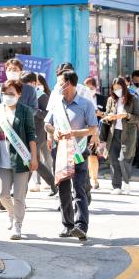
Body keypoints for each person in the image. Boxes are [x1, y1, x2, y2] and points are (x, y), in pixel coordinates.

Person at [45, 70, 97, 241]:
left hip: (78, 153)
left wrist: (73, 133)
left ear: (68, 83)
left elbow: (93, 128)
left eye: (60, 82)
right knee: (64, 189)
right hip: (61, 153)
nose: (57, 86)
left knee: (79, 188)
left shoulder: (85, 104)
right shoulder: (57, 103)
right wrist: (54, 131)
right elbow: (47, 124)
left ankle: (81, 226)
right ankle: (68, 225)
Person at [0, 79, 38, 240]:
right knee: (2, 194)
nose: (7, 96)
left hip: (21, 159)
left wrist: (34, 157)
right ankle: (11, 212)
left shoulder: (25, 111)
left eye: (11, 93)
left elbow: (31, 135)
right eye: (5, 93)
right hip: (2, 159)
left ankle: (18, 224)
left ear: (19, 94)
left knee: (19, 196)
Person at [104, 77, 139, 195]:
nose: (117, 91)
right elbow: (106, 115)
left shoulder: (133, 99)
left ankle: (126, 182)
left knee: (124, 159)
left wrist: (126, 116)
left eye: (119, 88)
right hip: (113, 133)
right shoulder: (111, 99)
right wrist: (109, 117)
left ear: (124, 87)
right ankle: (116, 186)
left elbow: (137, 117)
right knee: (114, 159)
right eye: (114, 89)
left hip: (128, 133)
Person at [23, 73, 55, 194]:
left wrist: (35, 112)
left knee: (32, 159)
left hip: (37, 132)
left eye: (26, 84)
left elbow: (48, 114)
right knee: (33, 160)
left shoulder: (41, 96)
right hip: (25, 132)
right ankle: (53, 183)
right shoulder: (23, 95)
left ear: (33, 83)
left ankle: (21, 189)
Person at [83, 77, 106, 190]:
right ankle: (85, 179)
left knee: (93, 155)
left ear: (95, 88)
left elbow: (107, 114)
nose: (88, 90)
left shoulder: (102, 99)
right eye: (86, 88)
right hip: (83, 130)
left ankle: (94, 179)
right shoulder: (81, 98)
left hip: (96, 130)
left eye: (91, 88)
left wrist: (100, 114)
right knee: (82, 156)